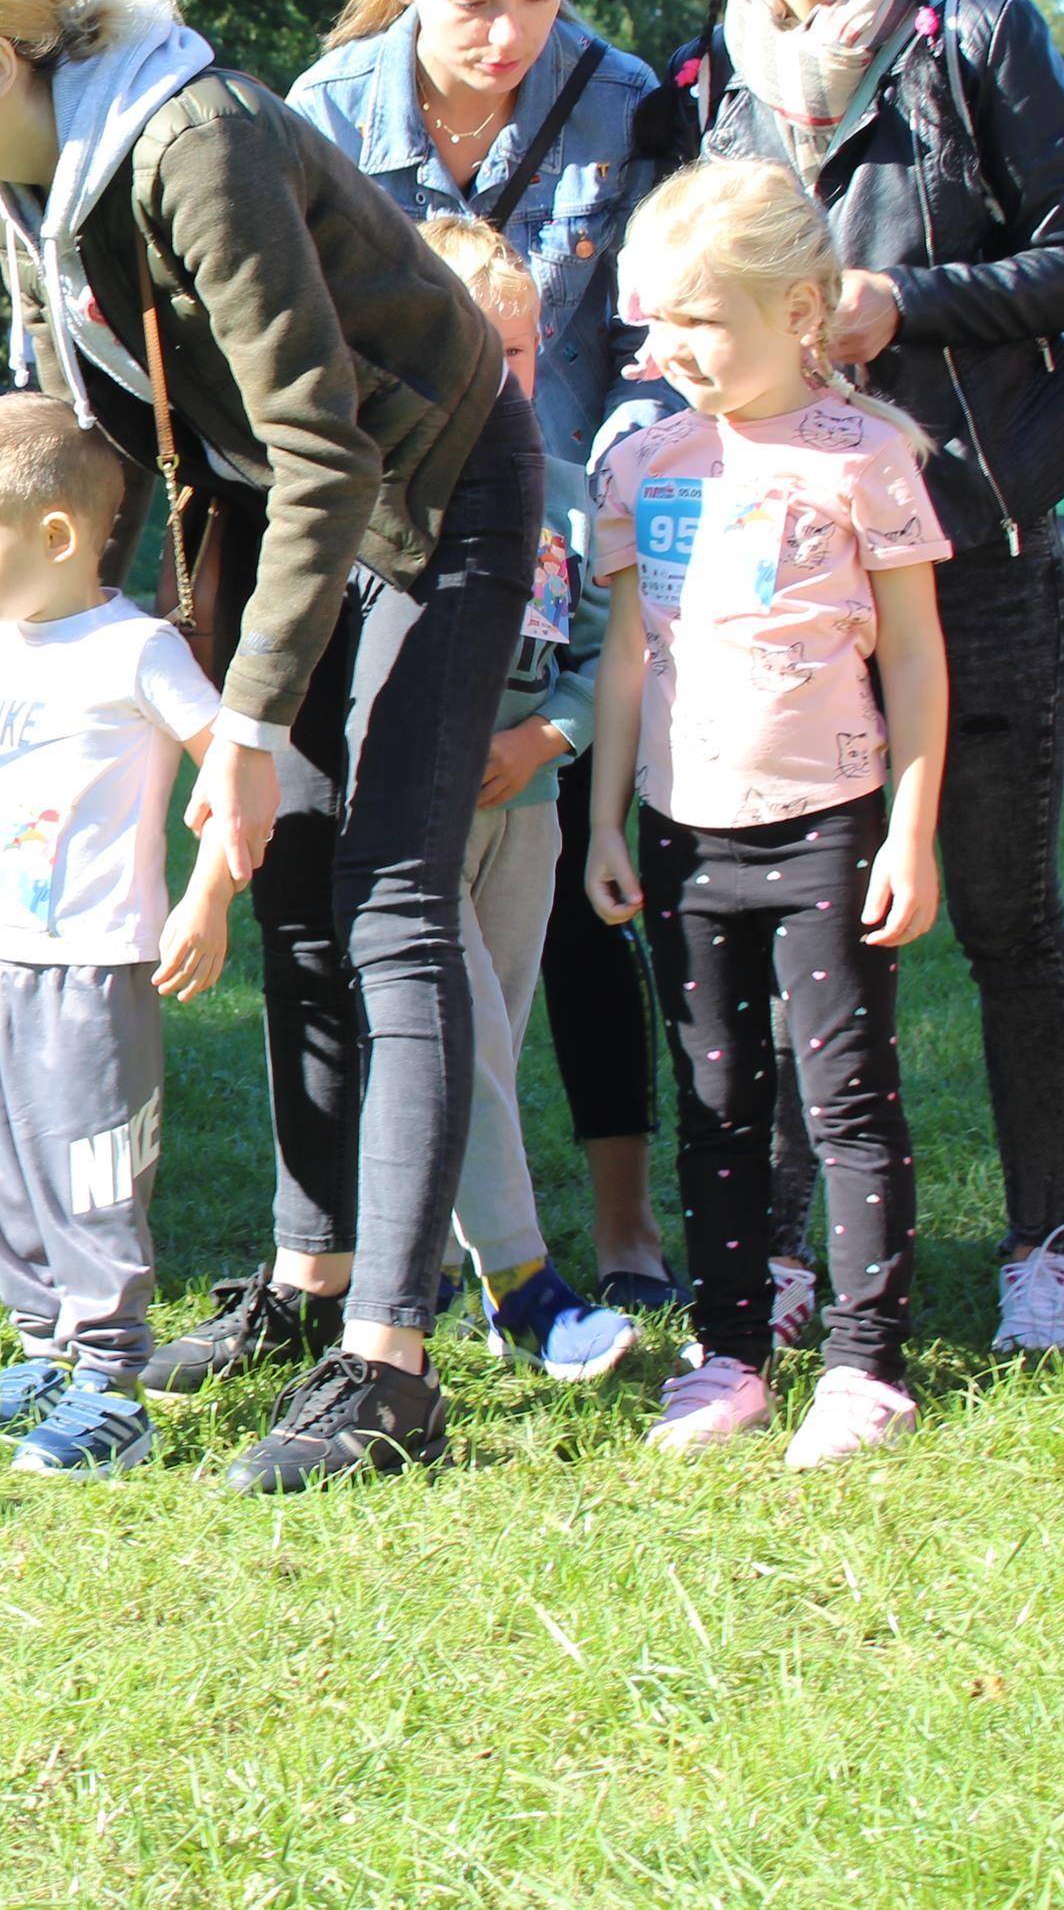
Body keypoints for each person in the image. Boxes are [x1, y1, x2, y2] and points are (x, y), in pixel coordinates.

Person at [0, 0, 540, 1494]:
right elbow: (111, 439)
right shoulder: (33, 170)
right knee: (290, 885)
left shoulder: (193, 140)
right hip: (276, 511)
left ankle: (392, 1369)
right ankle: (310, 1287)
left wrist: (256, 716)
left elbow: (326, 442)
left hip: (432, 490)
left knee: (389, 899)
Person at [655, 0, 1064, 1357]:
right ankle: (794, 1261)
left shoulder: (975, 38)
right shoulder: (707, 85)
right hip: (785, 587)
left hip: (973, 544)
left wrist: (913, 304)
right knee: (800, 930)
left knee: (1003, 916)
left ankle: (1042, 1234)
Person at [287, 0, 681, 1308]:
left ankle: (625, 1227)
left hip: (569, 544)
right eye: (474, 2)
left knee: (583, 897)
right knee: (388, 906)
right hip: (392, 544)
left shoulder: (626, 102)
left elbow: (647, 334)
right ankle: (383, 1248)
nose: (512, 33)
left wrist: (612, 493)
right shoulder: (318, 115)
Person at [584, 158, 950, 1465]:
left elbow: (912, 656)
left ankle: (866, 1363)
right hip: (686, 831)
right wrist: (610, 820)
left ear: (801, 308)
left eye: (707, 318)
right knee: (718, 1096)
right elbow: (627, 651)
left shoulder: (870, 458)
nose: (678, 348)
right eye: (659, 318)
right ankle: (731, 1348)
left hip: (828, 825)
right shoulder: (643, 461)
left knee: (845, 1096)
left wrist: (910, 827)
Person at [0, 394, 237, 1478]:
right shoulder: (4, 643)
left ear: (59, 536)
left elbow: (230, 770)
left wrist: (206, 894)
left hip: (90, 964)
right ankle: (44, 1352)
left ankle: (112, 1383)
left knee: (90, 1173)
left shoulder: (135, 653)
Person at [405, 216, 637, 1381]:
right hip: (412, 813)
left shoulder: (566, 491)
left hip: (529, 807)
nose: (511, 377)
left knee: (495, 1024)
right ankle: (524, 1284)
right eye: (479, 353)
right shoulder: (388, 490)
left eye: (528, 349)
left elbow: (608, 649)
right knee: (458, 1037)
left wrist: (549, 733)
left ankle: (432, 1271)